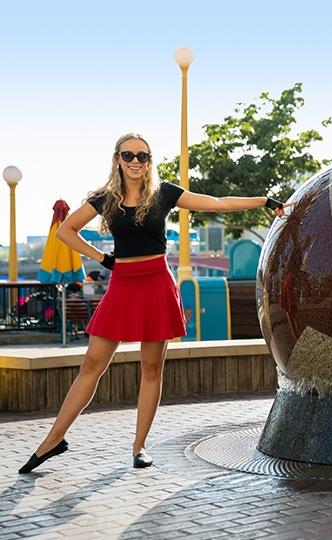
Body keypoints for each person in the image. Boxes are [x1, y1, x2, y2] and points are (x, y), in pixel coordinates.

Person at [19, 133, 291, 473]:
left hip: (156, 283)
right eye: (128, 154)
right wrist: (103, 258)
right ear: (117, 158)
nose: (136, 160)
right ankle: (53, 440)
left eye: (143, 156)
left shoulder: (164, 193)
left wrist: (264, 201)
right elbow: (66, 231)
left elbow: (218, 203)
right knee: (92, 364)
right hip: (122, 285)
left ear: (149, 160)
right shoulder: (105, 198)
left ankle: (139, 446)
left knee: (151, 368)